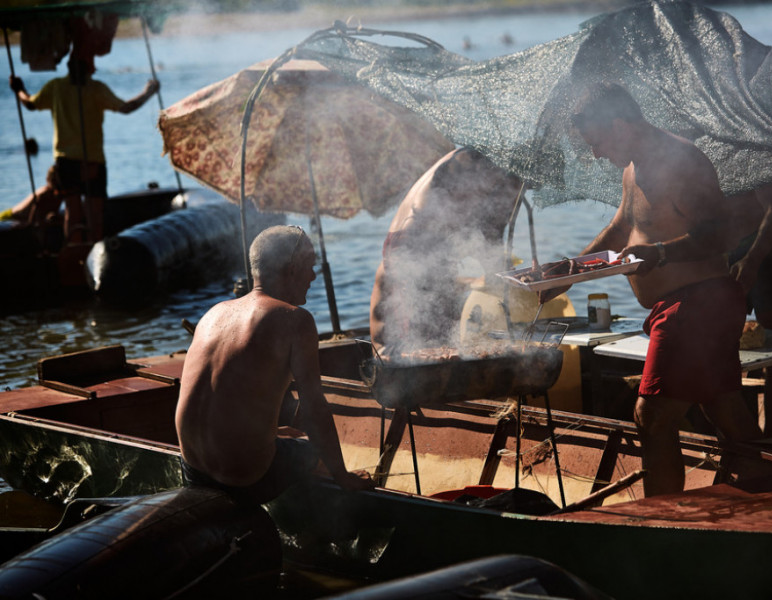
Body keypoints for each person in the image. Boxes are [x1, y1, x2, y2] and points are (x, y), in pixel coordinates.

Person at [544, 82, 762, 496]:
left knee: (653, 416)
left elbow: (721, 234)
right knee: (723, 406)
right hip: (681, 308)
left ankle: (661, 520)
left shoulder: (679, 162)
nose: (595, 154)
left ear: (622, 125)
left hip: (697, 306)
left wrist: (660, 254)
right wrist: (568, 272)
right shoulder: (633, 167)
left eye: (598, 142)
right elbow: (620, 229)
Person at [175, 225, 373, 505]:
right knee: (310, 452)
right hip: (243, 477)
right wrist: (343, 476)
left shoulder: (213, 313)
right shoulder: (295, 320)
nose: (314, 276)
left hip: (193, 468)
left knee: (288, 435)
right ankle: (317, 535)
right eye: (310, 266)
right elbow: (314, 410)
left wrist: (271, 433)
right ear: (291, 268)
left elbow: (225, 397)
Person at [369, 147, 523, 355]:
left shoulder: (473, 153)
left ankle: (388, 354)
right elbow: (491, 242)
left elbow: (481, 243)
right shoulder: (505, 174)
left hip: (406, 240)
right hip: (419, 242)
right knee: (432, 348)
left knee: (425, 336)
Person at [9, 58, 160, 241]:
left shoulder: (56, 86)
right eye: (92, 65)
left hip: (66, 161)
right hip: (92, 160)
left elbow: (30, 104)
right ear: (88, 68)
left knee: (72, 214)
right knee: (94, 216)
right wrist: (148, 92)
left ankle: (74, 252)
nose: (95, 68)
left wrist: (19, 90)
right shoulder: (95, 88)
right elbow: (127, 108)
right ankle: (90, 254)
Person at [726, 181, 772, 437]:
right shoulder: (697, 148)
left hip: (769, 244)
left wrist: (753, 259)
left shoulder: (756, 144)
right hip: (726, 247)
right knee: (720, 345)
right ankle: (738, 435)